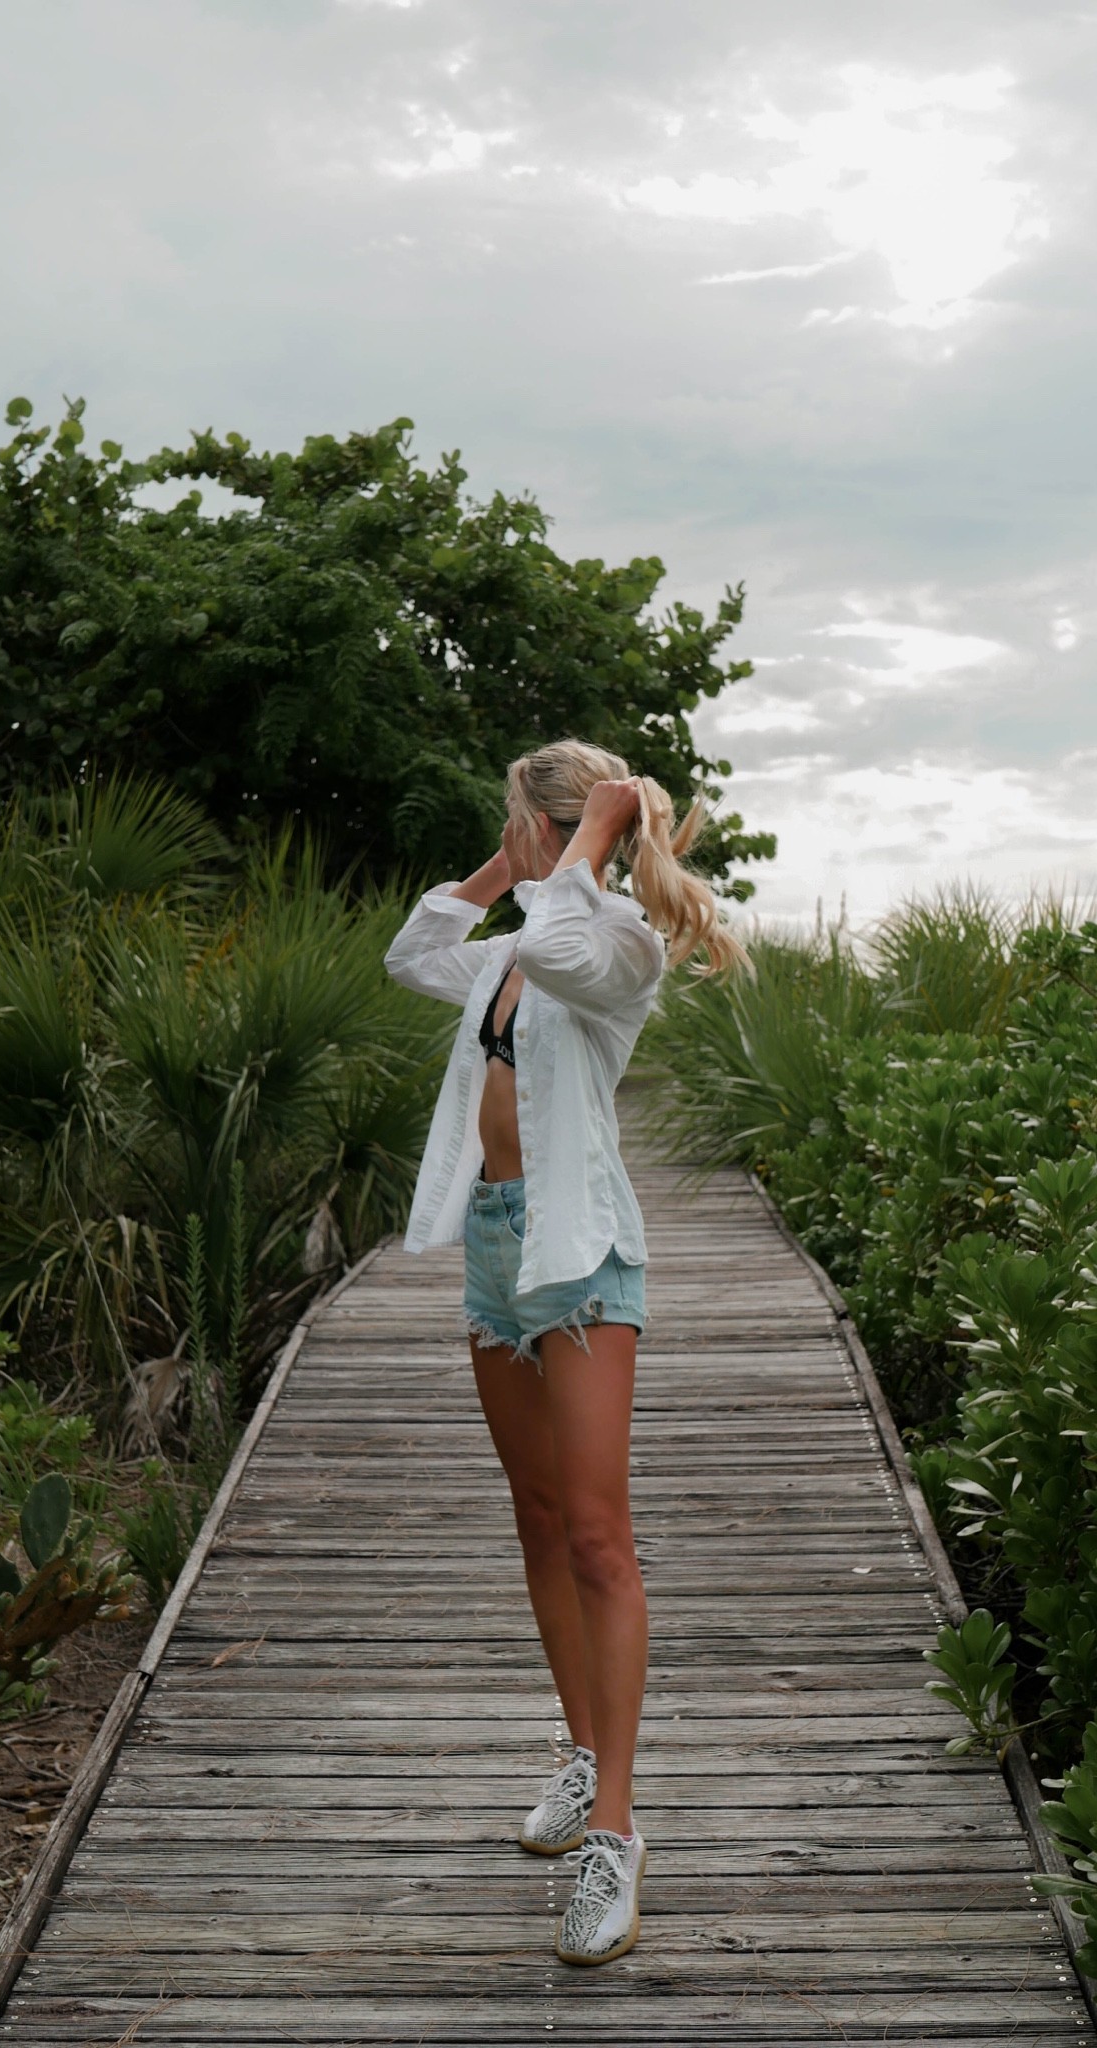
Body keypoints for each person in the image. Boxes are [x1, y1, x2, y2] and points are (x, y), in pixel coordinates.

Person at [383, 738, 751, 1966]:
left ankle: (615, 1834)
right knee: (537, 1517)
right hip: (495, 1248)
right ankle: (582, 1751)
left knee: (597, 1534)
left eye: (516, 820)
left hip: (579, 1253)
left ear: (562, 829)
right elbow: (414, 953)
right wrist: (505, 866)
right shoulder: (512, 942)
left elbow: (558, 947)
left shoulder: (614, 942)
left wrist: (585, 846)